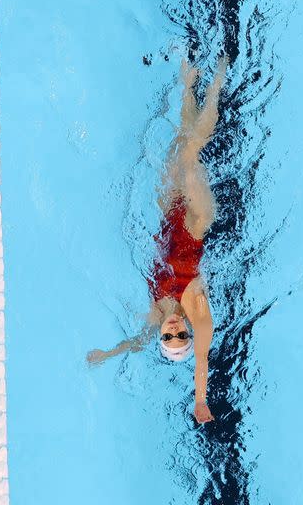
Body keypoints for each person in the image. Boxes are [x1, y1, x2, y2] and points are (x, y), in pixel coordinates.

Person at [87, 57, 227, 425]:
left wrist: (106, 355)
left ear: (162, 339)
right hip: (195, 220)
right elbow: (202, 359)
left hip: (168, 218)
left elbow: (135, 342)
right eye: (183, 335)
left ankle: (188, 83)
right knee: (190, 153)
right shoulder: (198, 312)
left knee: (179, 145)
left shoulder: (155, 317)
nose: (176, 329)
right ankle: (218, 80)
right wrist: (200, 401)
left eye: (171, 337)